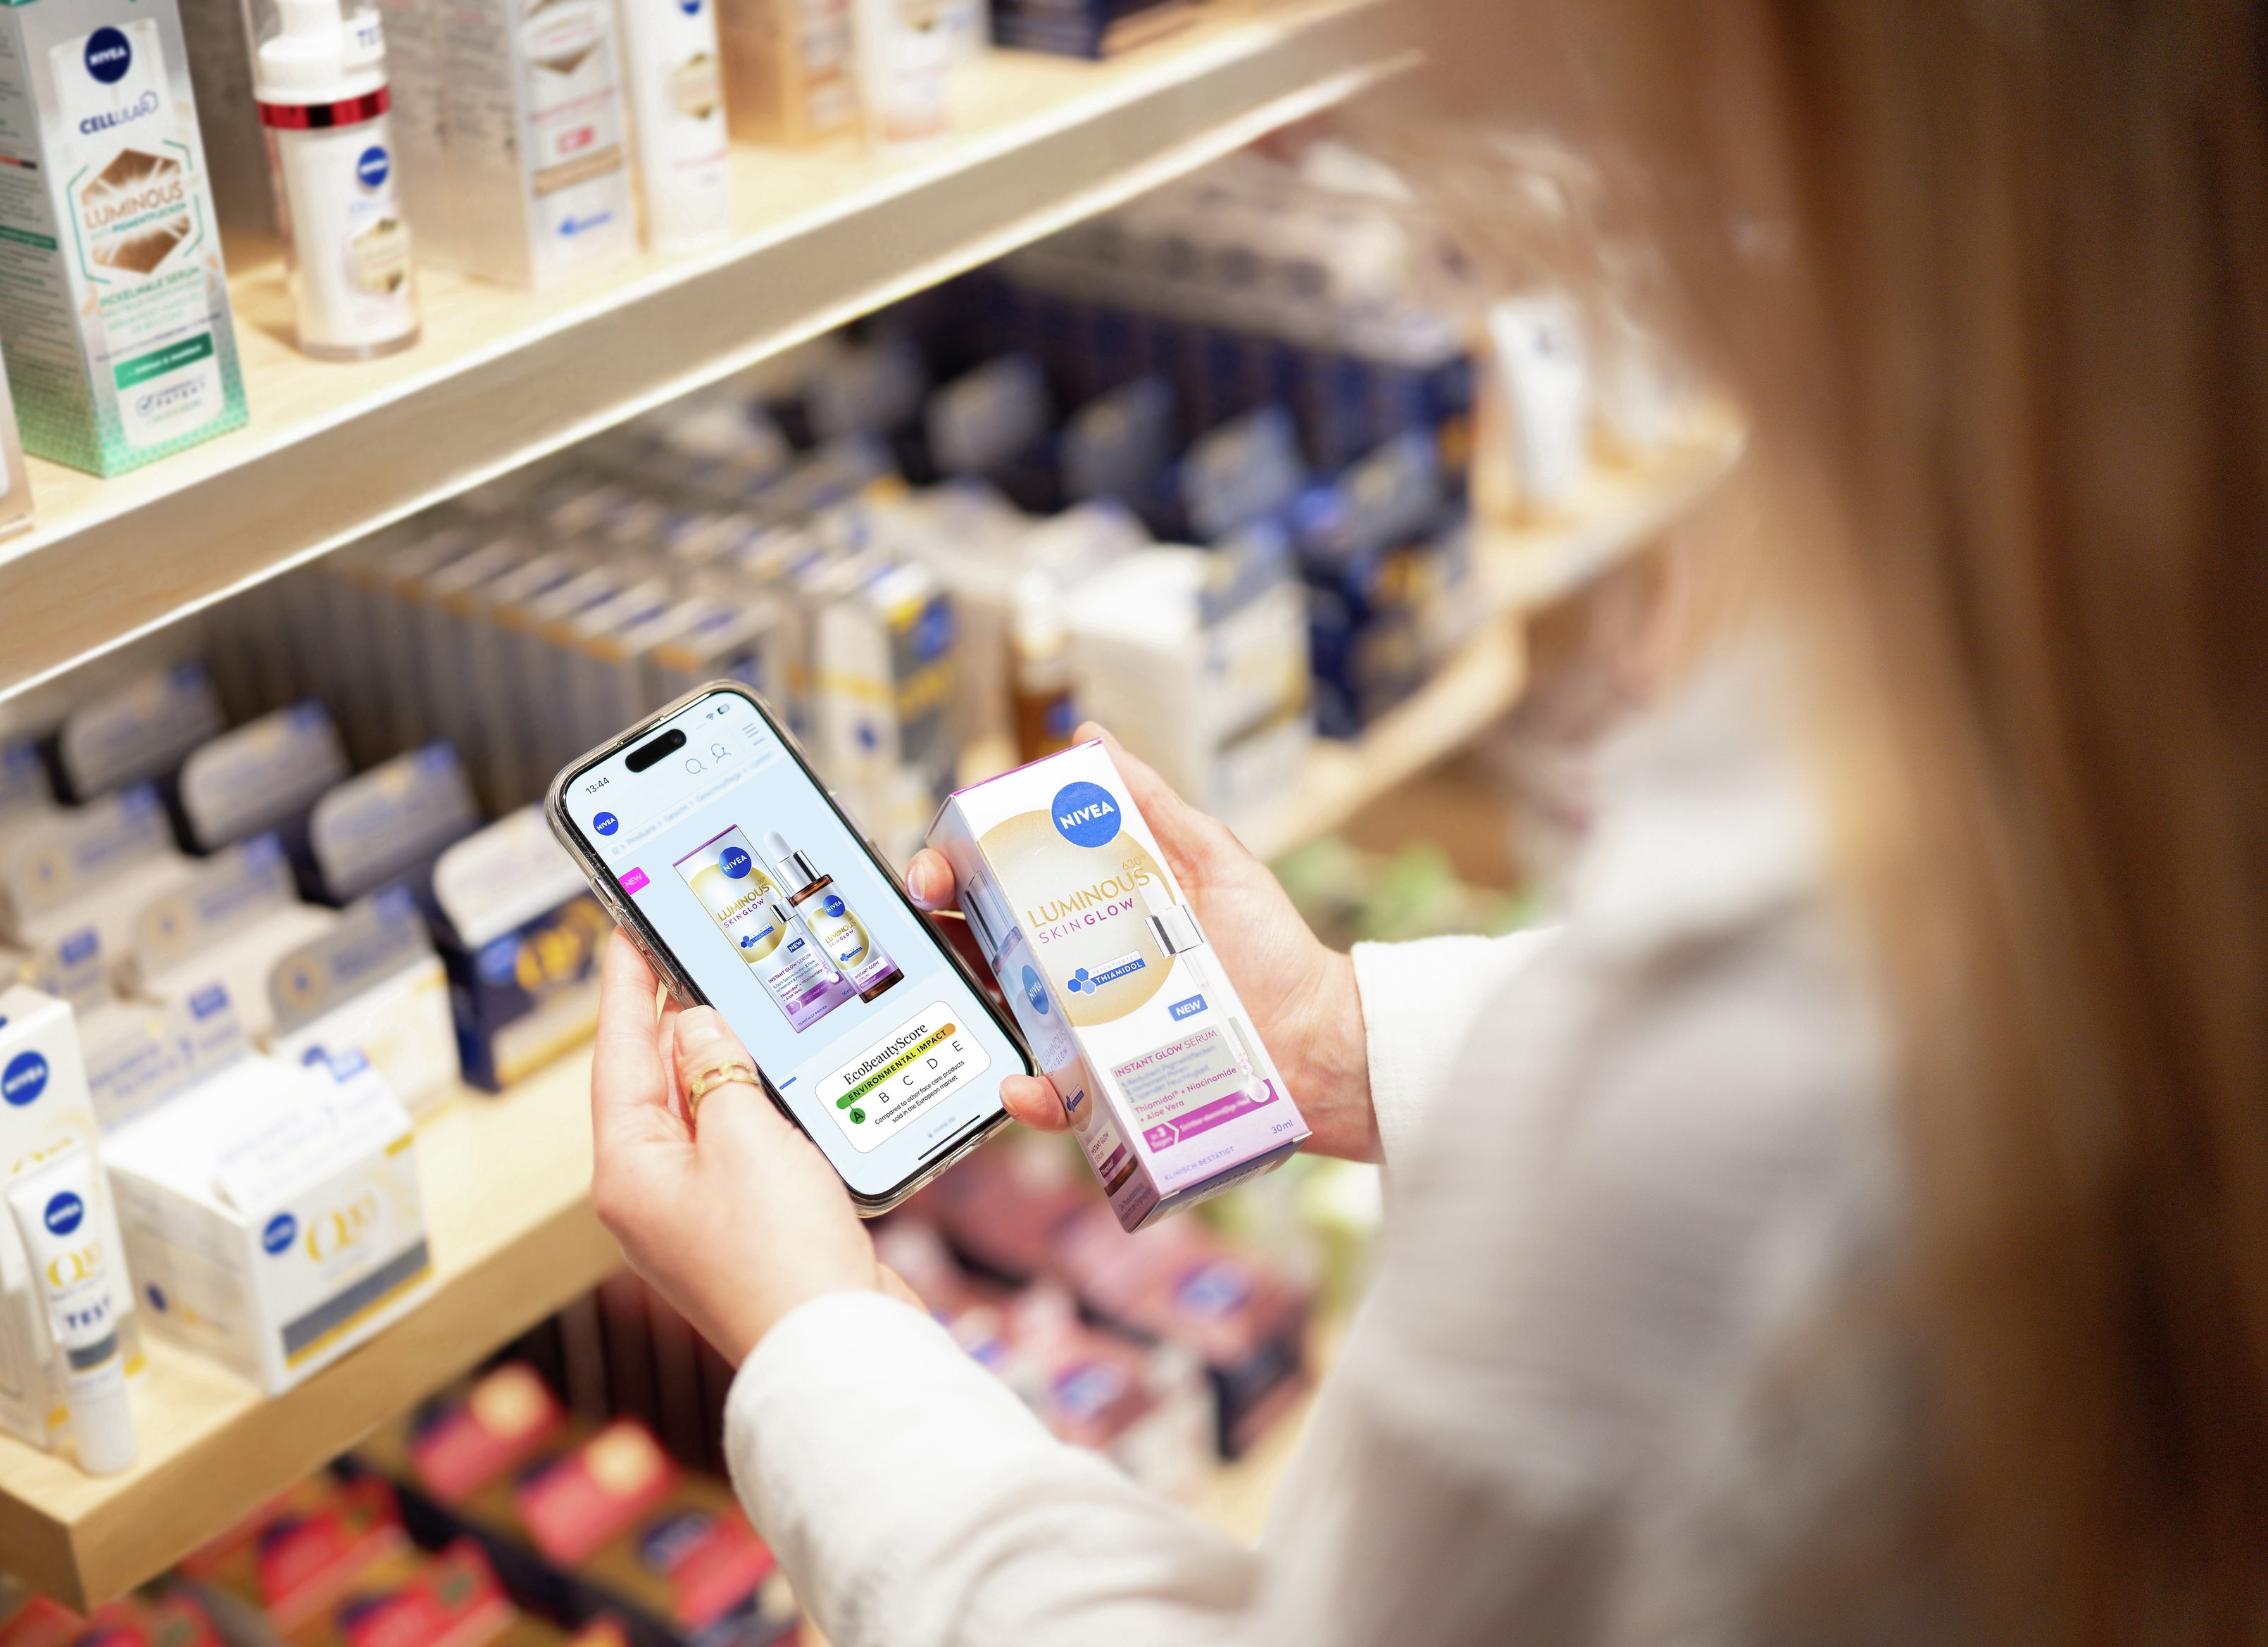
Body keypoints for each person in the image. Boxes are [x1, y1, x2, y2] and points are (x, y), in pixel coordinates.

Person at [584, 2, 2268, 1641]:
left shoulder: (1742, 1069)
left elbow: (1719, 1128)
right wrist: (1330, 1039)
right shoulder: (2065, 717)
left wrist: (817, 1337)